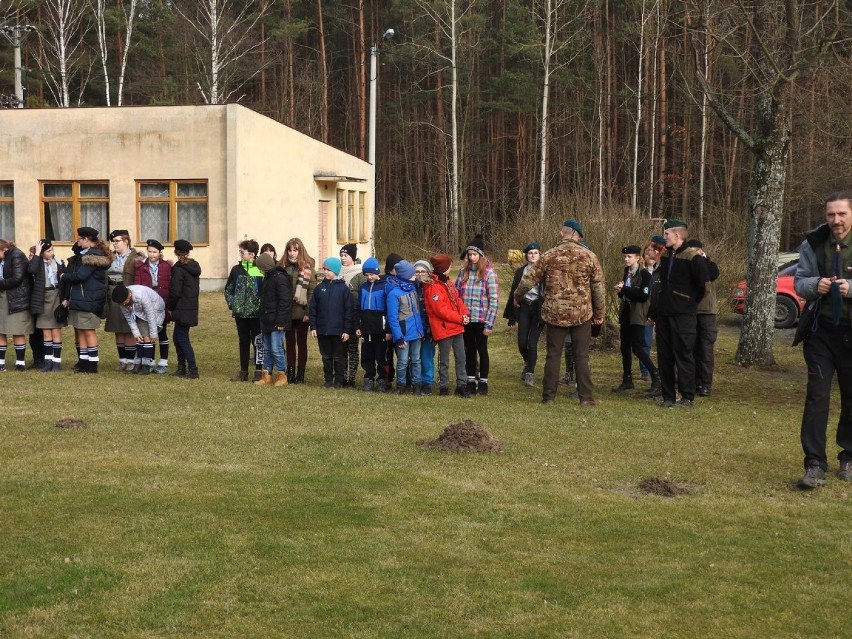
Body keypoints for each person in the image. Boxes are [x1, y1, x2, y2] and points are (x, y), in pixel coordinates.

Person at [793, 191, 852, 489]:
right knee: (817, 396)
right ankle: (814, 463)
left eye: (841, 214)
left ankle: (849, 457)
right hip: (821, 332)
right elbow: (799, 282)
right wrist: (817, 284)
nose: (835, 220)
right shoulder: (813, 243)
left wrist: (850, 288)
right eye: (831, 215)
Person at [514, 219, 605, 406]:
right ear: (578, 236)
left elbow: (528, 280)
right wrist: (599, 313)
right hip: (582, 313)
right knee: (581, 355)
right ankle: (586, 398)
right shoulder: (590, 256)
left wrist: (517, 296)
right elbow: (598, 288)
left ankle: (548, 397)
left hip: (555, 313)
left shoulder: (548, 256)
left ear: (561, 233)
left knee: (553, 355)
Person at [649, 219, 710, 409]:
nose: (664, 237)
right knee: (664, 355)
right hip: (665, 314)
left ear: (677, 235)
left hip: (684, 315)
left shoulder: (694, 258)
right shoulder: (667, 257)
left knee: (684, 355)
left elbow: (703, 287)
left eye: (667, 234)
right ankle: (668, 396)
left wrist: (687, 302)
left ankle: (687, 397)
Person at [61, 227, 112, 373]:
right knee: (81, 330)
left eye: (79, 239)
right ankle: (84, 362)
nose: (78, 242)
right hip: (81, 298)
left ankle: (92, 364)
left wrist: (63, 276)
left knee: (88, 331)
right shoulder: (86, 254)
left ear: (87, 240)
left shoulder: (92, 256)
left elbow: (80, 276)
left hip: (89, 299)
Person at [612, 245, 660, 394]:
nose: (626, 259)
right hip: (626, 312)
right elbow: (626, 293)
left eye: (629, 257)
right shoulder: (627, 272)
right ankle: (627, 379)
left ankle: (655, 375)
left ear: (638, 258)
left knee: (638, 348)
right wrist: (620, 291)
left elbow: (643, 295)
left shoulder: (645, 274)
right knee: (624, 347)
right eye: (625, 257)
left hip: (638, 314)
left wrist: (625, 290)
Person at [455, 234, 499, 395]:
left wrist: (489, 323)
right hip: (467, 318)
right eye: (469, 254)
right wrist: (460, 315)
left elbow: (494, 300)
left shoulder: (489, 273)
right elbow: (457, 295)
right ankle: (471, 380)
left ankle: (483, 382)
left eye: (475, 254)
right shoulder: (463, 273)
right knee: (469, 350)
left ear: (480, 255)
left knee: (482, 349)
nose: (472, 257)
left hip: (481, 318)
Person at [423, 253, 471, 397]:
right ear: (445, 267)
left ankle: (461, 385)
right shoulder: (433, 287)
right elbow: (441, 311)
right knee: (444, 360)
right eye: (449, 265)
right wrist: (460, 318)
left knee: (461, 358)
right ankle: (443, 386)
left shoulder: (448, 283)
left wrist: (465, 314)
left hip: (456, 327)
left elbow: (458, 301)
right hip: (444, 329)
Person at [504, 242, 544, 387]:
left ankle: (530, 374)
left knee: (532, 343)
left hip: (538, 309)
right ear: (526, 256)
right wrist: (511, 316)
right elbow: (514, 292)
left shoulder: (545, 271)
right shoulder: (520, 272)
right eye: (530, 253)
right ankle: (527, 362)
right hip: (524, 308)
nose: (533, 255)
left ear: (540, 255)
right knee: (522, 342)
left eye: (536, 253)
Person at [309, 257, 353, 388]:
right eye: (325, 269)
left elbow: (348, 311)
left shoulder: (344, 289)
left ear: (336, 271)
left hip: (338, 331)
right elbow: (313, 309)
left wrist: (346, 330)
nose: (326, 272)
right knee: (326, 357)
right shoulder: (319, 288)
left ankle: (339, 381)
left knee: (339, 357)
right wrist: (314, 327)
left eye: (329, 270)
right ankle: (328, 380)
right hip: (323, 330)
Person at [224, 239, 264, 381]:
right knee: (243, 341)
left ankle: (259, 371)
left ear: (252, 254)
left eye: (243, 252)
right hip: (240, 314)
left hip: (256, 314)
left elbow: (265, 291)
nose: (240, 254)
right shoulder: (236, 270)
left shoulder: (259, 270)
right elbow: (228, 289)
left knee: (258, 342)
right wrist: (233, 304)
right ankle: (243, 371)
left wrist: (260, 305)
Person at [685, 239, 720, 397]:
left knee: (705, 350)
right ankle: (693, 381)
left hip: (707, 313)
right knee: (691, 349)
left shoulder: (710, 265)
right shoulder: (688, 265)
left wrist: (704, 259)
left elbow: (711, 274)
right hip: (691, 312)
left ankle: (705, 383)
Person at [105, 230, 143, 372]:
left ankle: (131, 361)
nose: (114, 244)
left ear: (126, 241)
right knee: (117, 329)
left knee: (128, 328)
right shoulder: (110, 257)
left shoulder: (135, 257)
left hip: (127, 294)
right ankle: (122, 361)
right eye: (113, 241)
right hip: (113, 293)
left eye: (117, 241)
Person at [133, 239, 172, 374]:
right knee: (148, 332)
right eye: (149, 251)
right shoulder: (140, 267)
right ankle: (149, 361)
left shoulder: (167, 266)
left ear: (159, 253)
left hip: (162, 303)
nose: (151, 255)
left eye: (154, 252)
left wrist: (170, 305)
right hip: (146, 303)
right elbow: (137, 285)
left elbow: (170, 285)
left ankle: (163, 361)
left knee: (162, 333)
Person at [387, 260, 425, 394]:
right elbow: (392, 318)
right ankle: (401, 385)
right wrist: (398, 337)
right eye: (412, 274)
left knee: (416, 359)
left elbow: (418, 311)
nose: (415, 276)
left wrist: (421, 330)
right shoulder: (394, 293)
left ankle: (417, 384)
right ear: (405, 275)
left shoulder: (413, 288)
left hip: (416, 332)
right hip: (403, 334)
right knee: (403, 361)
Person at [27, 239, 66, 372]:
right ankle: (48, 361)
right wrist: (37, 253)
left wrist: (65, 299)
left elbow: (65, 283)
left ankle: (56, 362)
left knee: (55, 330)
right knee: (46, 331)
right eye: (48, 251)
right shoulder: (37, 263)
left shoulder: (59, 262)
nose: (51, 253)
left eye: (52, 250)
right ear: (42, 253)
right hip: (43, 297)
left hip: (56, 296)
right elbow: (30, 269)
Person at [254, 252, 293, 386]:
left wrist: (281, 321)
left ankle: (282, 375)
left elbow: (285, 301)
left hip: (277, 321)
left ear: (264, 266)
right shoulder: (268, 278)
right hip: (267, 320)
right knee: (266, 348)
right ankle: (267, 375)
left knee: (277, 348)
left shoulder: (279, 278)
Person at [282, 238, 316, 384]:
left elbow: (312, 293)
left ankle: (301, 375)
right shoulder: (283, 268)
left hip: (302, 313)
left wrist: (308, 312)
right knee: (289, 343)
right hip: (287, 312)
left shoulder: (308, 269)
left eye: (295, 250)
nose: (292, 253)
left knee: (302, 343)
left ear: (300, 251)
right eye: (290, 250)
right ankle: (290, 373)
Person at [111, 284, 166, 374]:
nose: (124, 304)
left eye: (125, 301)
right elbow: (130, 319)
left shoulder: (141, 295)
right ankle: (138, 364)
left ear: (129, 295)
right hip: (140, 312)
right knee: (140, 337)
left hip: (155, 309)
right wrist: (136, 334)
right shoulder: (122, 302)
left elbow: (150, 314)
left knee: (146, 336)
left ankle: (146, 366)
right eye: (122, 303)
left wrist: (153, 333)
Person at [167, 240, 201, 379]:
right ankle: (182, 367)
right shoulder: (194, 267)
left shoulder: (179, 269)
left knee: (182, 338)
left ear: (176, 252)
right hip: (190, 307)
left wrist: (170, 306)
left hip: (182, 307)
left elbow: (175, 291)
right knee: (178, 337)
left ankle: (192, 369)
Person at [0, 239, 34, 371]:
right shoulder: (3, 258)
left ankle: (20, 362)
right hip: (3, 297)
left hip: (16, 298)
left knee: (17, 331)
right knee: (1, 330)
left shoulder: (17, 255)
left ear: (4, 249)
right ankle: (1, 362)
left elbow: (17, 279)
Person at [354, 257, 388, 392]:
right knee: (367, 355)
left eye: (372, 274)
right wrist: (357, 326)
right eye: (367, 275)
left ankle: (382, 380)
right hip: (366, 328)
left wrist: (387, 329)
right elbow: (358, 308)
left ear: (377, 273)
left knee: (381, 356)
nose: (369, 277)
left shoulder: (384, 286)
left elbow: (388, 309)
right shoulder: (363, 287)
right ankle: (368, 379)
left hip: (380, 328)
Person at [639, 237, 665, 382]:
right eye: (646, 251)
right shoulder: (640, 272)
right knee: (645, 342)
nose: (649, 254)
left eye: (651, 251)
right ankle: (645, 370)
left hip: (660, 311)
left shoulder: (661, 271)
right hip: (645, 312)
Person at [339, 243, 364, 387]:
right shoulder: (338, 272)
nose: (343, 258)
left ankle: (352, 378)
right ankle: (342, 376)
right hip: (341, 316)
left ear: (353, 257)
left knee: (353, 349)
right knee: (341, 349)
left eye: (346, 255)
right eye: (341, 255)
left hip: (354, 316)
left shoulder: (360, 274)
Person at [414, 259, 436, 394]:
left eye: (423, 271)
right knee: (415, 357)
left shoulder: (432, 287)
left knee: (427, 356)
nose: (420, 274)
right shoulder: (410, 287)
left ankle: (427, 382)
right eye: (417, 271)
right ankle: (415, 380)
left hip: (428, 329)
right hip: (414, 329)